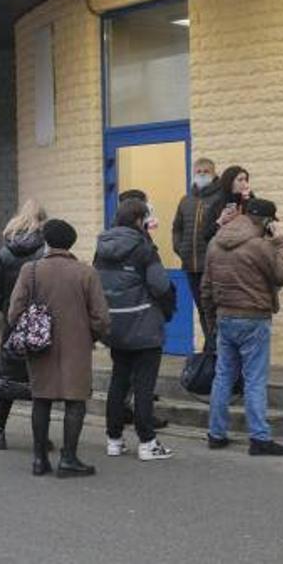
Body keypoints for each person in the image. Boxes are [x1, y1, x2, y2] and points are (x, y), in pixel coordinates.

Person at [8, 219, 109, 478]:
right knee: (75, 401)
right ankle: (68, 458)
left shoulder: (30, 270)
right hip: (77, 346)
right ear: (71, 243)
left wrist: (28, 331)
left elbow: (14, 311)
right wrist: (89, 336)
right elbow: (101, 317)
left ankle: (39, 459)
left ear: (47, 242)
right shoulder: (86, 273)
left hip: (39, 346)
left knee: (41, 400)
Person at [202, 197, 283, 457]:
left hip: (225, 317)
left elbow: (206, 288)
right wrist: (281, 242)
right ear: (266, 222)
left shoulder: (215, 242)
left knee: (223, 377)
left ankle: (216, 434)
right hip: (253, 318)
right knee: (254, 379)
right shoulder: (259, 246)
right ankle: (259, 438)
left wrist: (212, 323)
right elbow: (282, 275)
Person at [95, 196, 175, 462]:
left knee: (119, 381)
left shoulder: (102, 248)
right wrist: (167, 308)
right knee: (143, 386)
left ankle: (114, 440)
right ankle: (147, 442)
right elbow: (160, 285)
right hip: (144, 325)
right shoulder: (143, 248)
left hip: (115, 324)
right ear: (140, 220)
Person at [0, 200, 45, 450]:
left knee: (7, 377)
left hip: (13, 320)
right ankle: (41, 437)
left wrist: (8, 311)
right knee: (39, 378)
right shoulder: (44, 250)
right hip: (39, 321)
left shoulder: (6, 252)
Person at [172, 157, 223, 336]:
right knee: (201, 307)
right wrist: (180, 249)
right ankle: (210, 344)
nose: (201, 175)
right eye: (198, 172)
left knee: (214, 308)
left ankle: (218, 345)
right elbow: (177, 228)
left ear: (214, 174)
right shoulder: (186, 200)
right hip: (191, 266)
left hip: (213, 265)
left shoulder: (220, 198)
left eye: (206, 172)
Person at [202, 165, 252, 250]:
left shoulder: (251, 202)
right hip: (223, 251)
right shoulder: (217, 204)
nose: (244, 183)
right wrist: (220, 221)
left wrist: (246, 201)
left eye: (246, 180)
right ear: (230, 182)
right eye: (240, 180)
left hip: (245, 250)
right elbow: (206, 234)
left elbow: (258, 226)